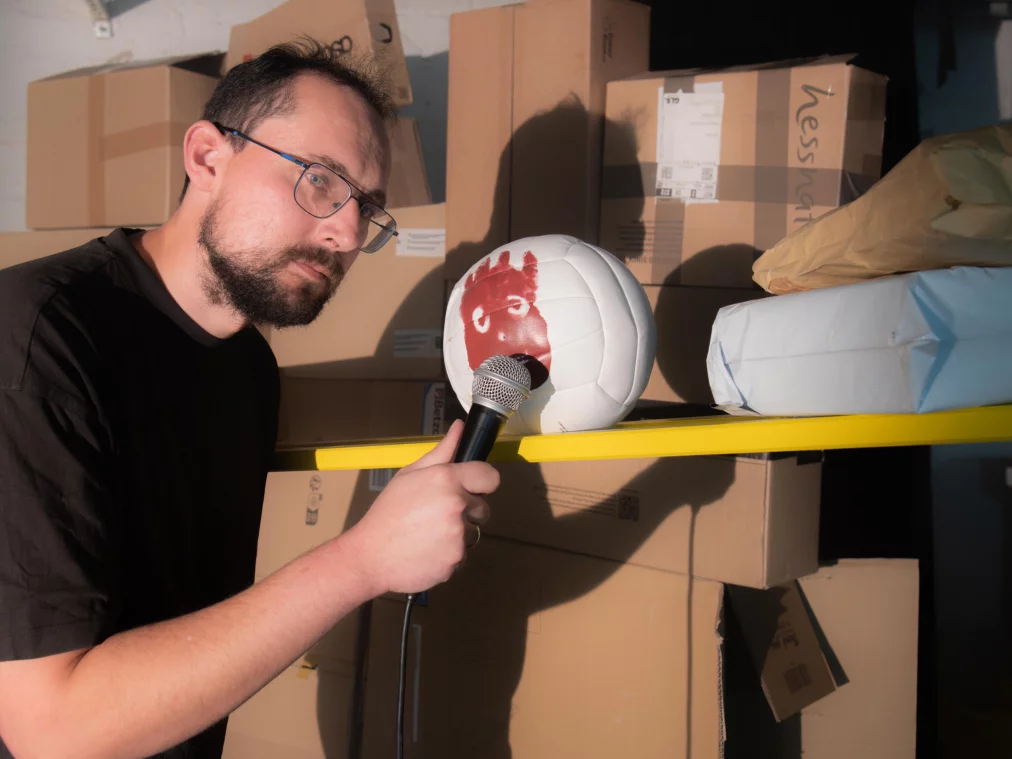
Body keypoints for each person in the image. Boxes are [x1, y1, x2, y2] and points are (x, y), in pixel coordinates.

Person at [0, 39, 496, 759]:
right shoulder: (38, 336)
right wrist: (362, 559)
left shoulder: (249, 369)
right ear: (206, 156)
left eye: (368, 208)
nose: (348, 232)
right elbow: (53, 729)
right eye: (321, 181)